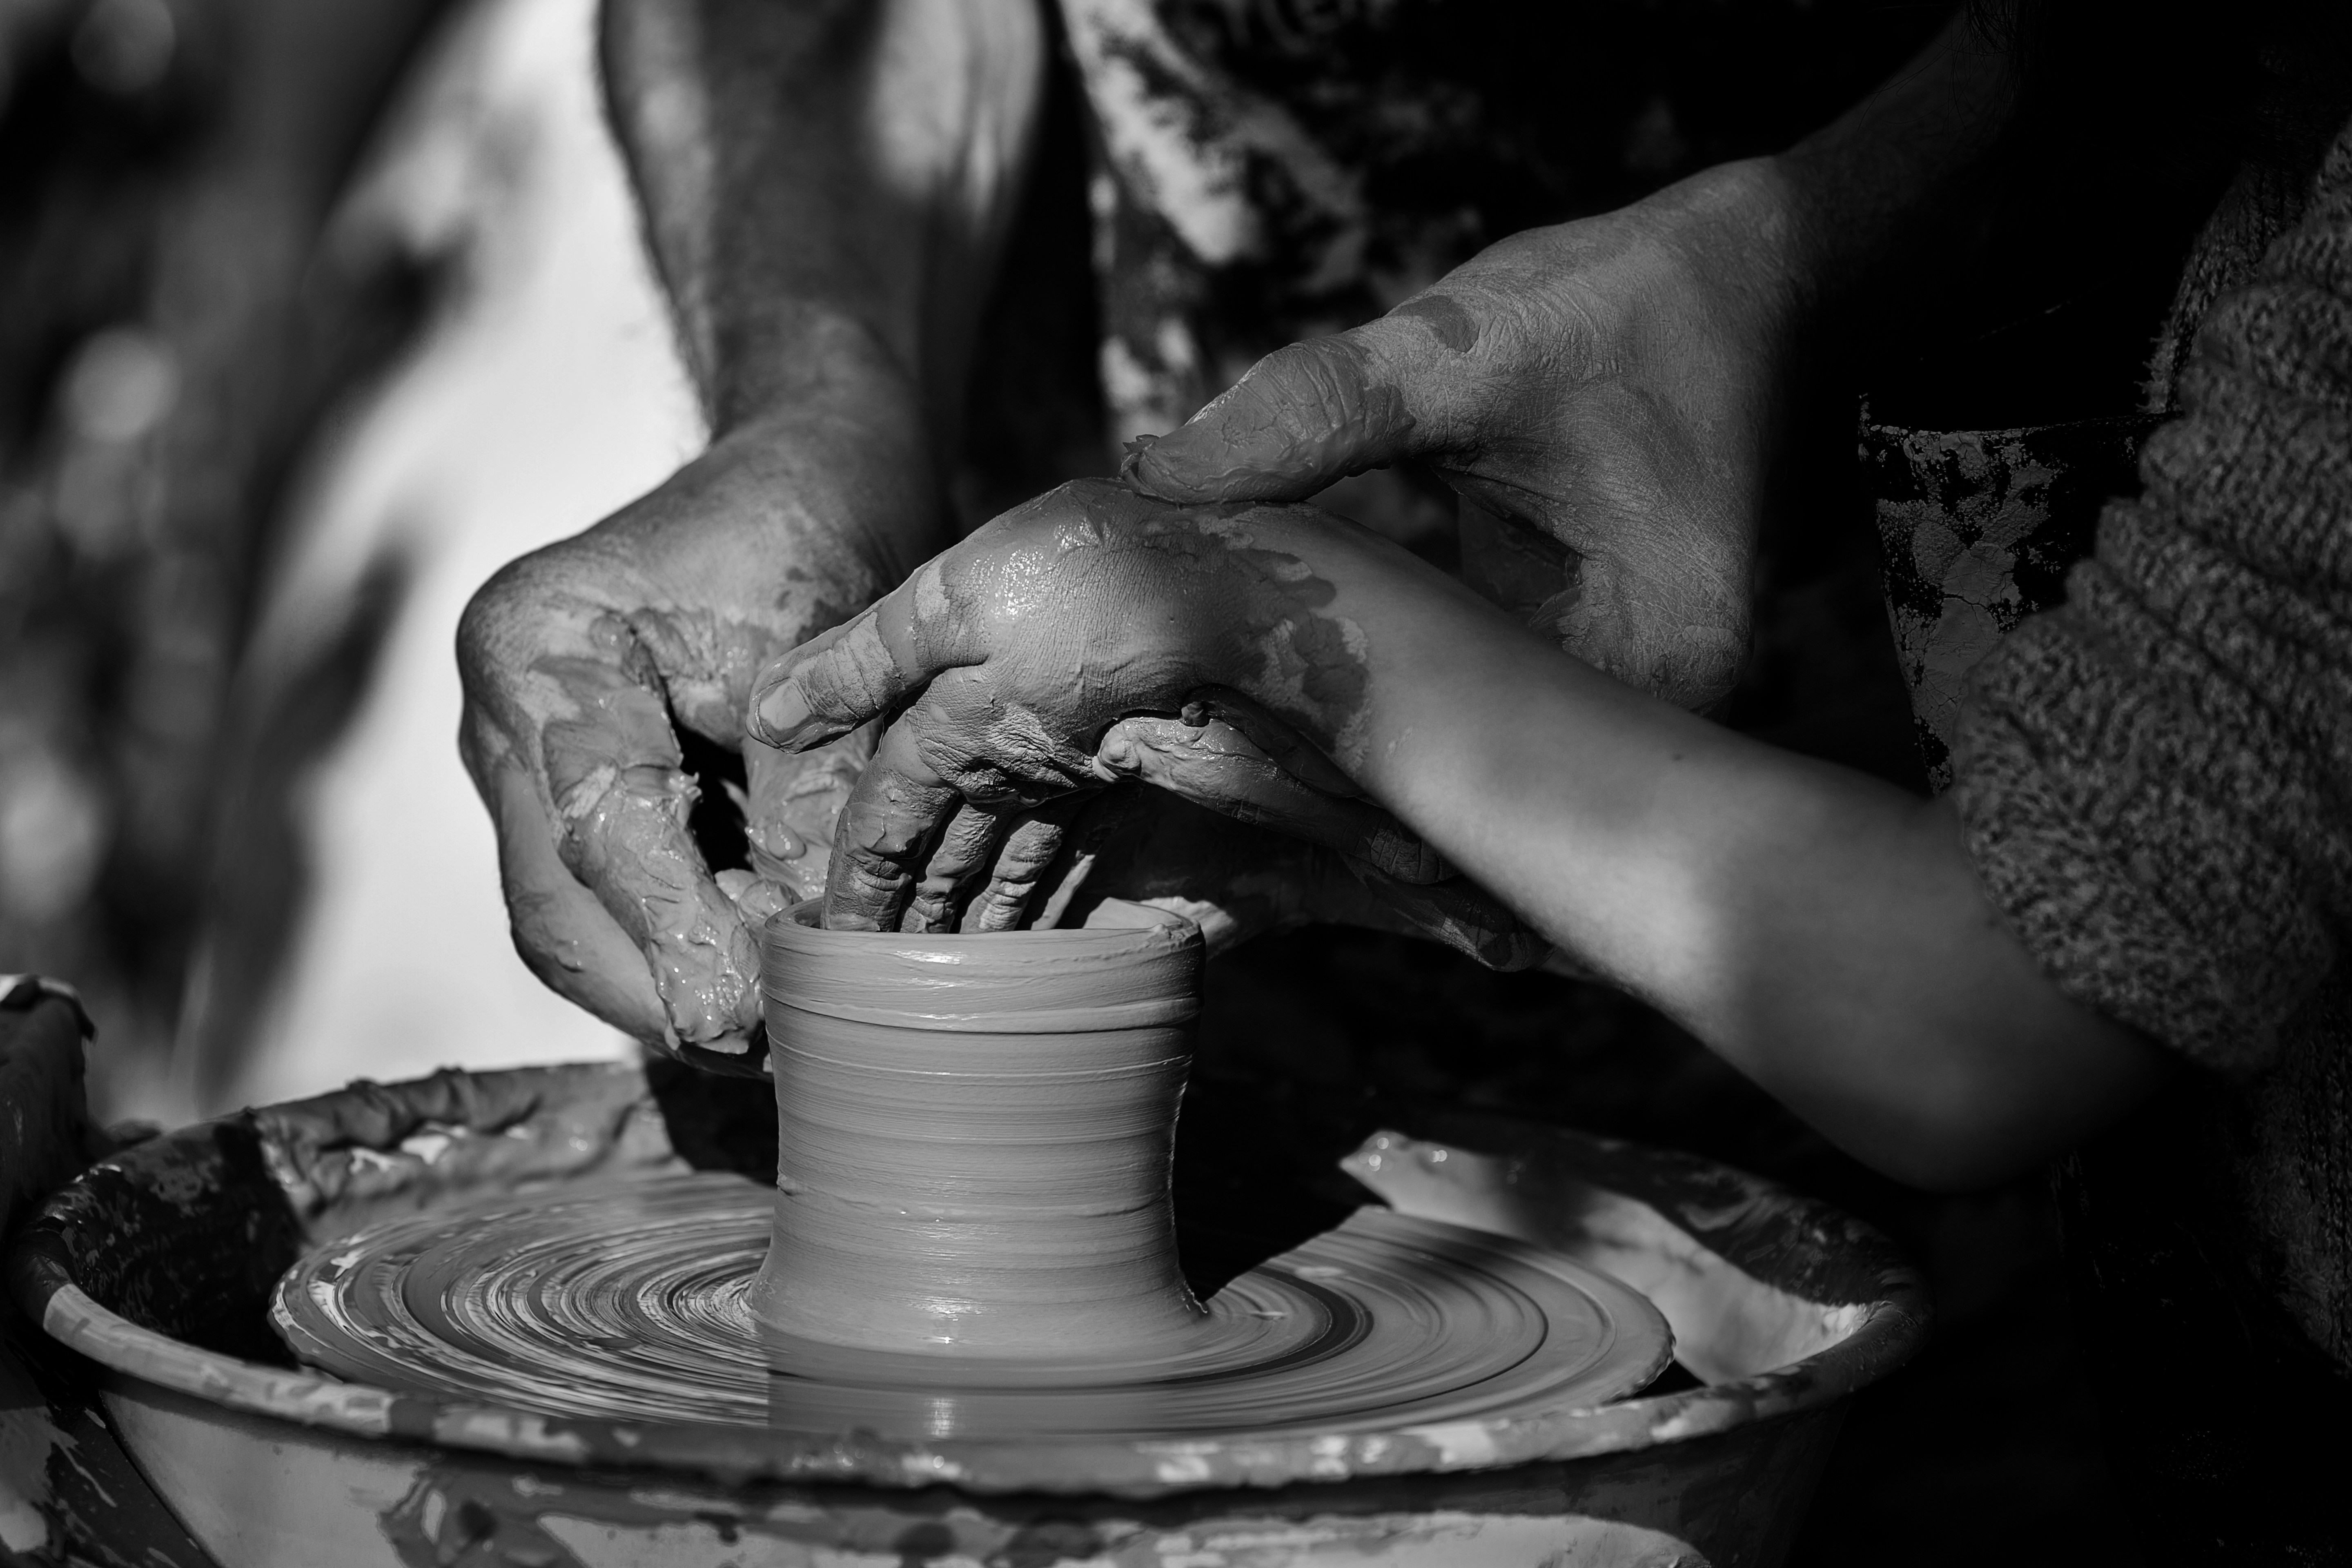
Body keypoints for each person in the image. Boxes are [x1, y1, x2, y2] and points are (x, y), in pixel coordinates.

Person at [460, 0, 2351, 1558]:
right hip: (1129, 687)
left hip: (1968, 739)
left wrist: (1813, 243)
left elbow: (2026, 986)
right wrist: (819, 401)